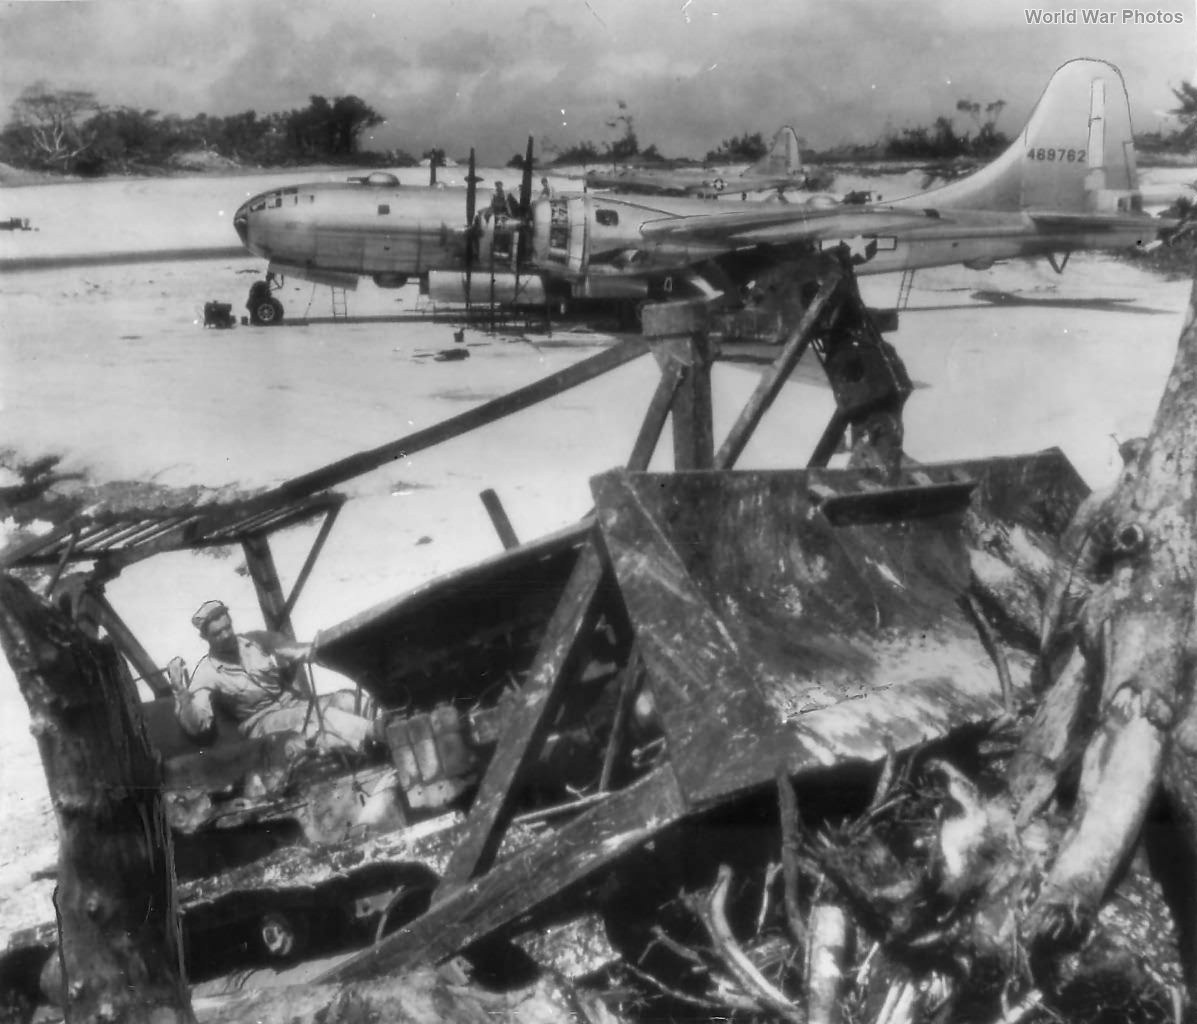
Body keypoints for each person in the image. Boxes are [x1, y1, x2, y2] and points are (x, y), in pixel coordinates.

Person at [169, 600, 376, 757]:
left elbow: (297, 651)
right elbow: (198, 726)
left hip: (295, 703)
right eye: (217, 633)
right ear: (205, 637)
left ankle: (386, 722)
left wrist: (324, 650)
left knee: (346, 699)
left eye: (227, 628)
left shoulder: (256, 641)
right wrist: (180, 690)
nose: (225, 636)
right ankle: (379, 733)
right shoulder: (207, 672)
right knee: (314, 717)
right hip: (261, 722)